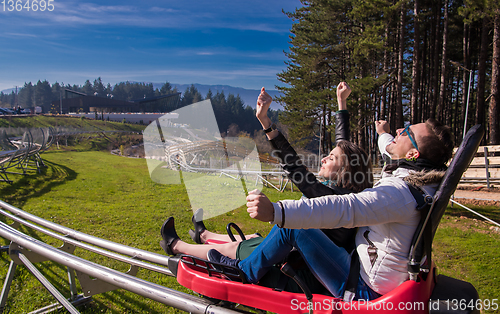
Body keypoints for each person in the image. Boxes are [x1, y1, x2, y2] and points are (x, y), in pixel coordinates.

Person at [206, 118, 454, 301]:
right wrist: (382, 134)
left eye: (407, 132)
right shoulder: (419, 181)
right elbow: (385, 145)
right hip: (370, 273)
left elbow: (346, 208)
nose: (400, 130)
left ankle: (243, 272)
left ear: (412, 153)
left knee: (294, 229)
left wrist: (276, 212)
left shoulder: (397, 194)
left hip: (363, 288)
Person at [160, 83, 372, 278]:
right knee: (252, 238)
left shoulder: (334, 201)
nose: (325, 158)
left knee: (235, 249)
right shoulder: (349, 198)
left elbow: (296, 169)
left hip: (296, 260)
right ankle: (204, 234)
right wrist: (341, 103)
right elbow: (343, 143)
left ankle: (176, 245)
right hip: (293, 251)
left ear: (345, 169)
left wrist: (266, 123)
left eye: (332, 157)